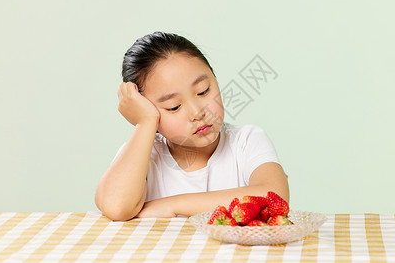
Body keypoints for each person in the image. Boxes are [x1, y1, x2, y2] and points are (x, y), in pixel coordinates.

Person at [95, 32, 289, 221]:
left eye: (203, 91)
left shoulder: (246, 141)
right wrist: (145, 122)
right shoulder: (143, 155)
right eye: (174, 107)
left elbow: (275, 197)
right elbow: (116, 207)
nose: (197, 113)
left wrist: (173, 205)